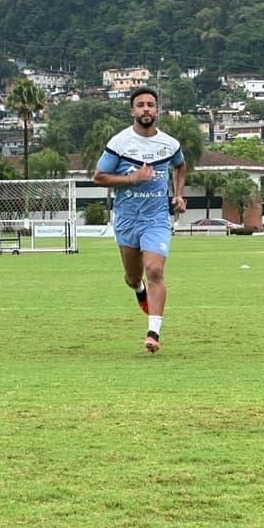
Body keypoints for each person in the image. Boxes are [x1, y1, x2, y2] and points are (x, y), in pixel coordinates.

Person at [93, 87, 186, 354]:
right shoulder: (119, 143)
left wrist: (178, 195)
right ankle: (138, 289)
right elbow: (99, 177)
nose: (146, 109)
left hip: (155, 218)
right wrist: (132, 179)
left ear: (157, 110)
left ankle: (153, 332)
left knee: (155, 270)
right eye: (141, 105)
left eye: (151, 105)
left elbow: (180, 165)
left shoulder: (169, 144)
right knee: (133, 277)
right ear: (132, 111)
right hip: (126, 219)